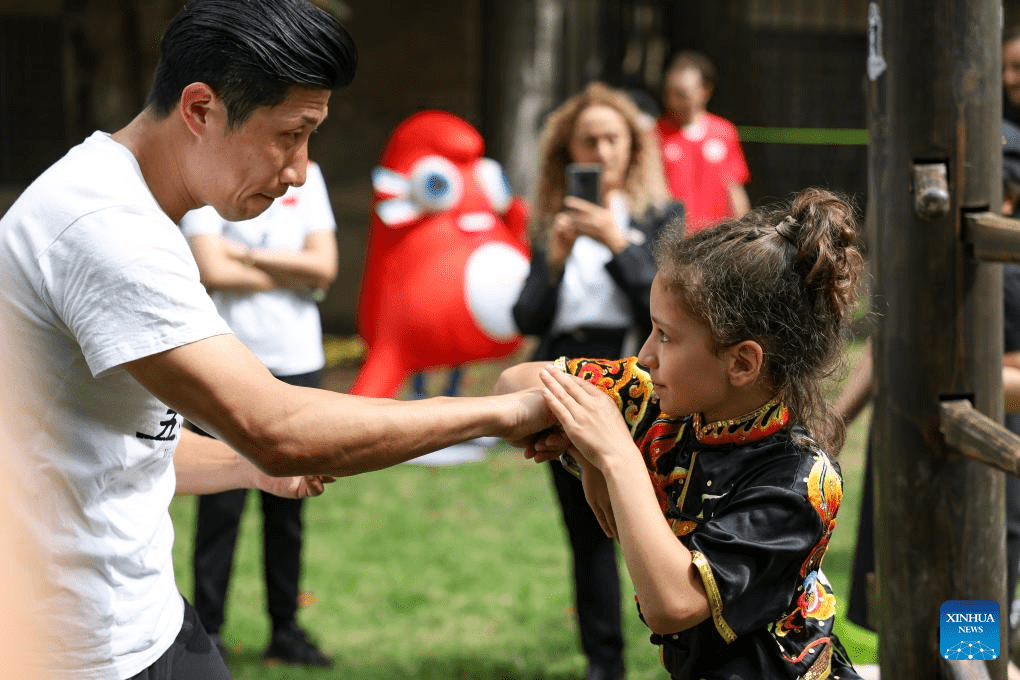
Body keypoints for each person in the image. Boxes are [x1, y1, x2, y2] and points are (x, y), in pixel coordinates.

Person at [0, 1, 552, 678]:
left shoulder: (121, 200)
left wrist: (241, 468)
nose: (297, 171)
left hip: (149, 622)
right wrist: (508, 412)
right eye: (290, 134)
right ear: (200, 110)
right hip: (80, 653)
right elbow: (275, 425)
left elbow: (110, 449)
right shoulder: (105, 232)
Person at [499, 187, 865, 679]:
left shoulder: (801, 481)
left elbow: (673, 601)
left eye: (666, 336)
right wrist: (589, 455)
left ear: (741, 362)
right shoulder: (663, 401)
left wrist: (615, 455)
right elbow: (516, 384)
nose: (646, 356)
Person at [512, 81, 683, 680]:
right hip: (568, 372)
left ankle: (682, 641)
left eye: (614, 138)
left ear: (633, 147)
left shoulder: (659, 216)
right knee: (586, 530)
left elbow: (666, 305)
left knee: (656, 519)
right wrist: (556, 258)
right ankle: (603, 662)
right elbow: (526, 318)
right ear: (569, 151)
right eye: (590, 140)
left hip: (642, 372)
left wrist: (617, 243)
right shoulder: (550, 218)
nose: (602, 151)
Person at [179, 159, 337, 667]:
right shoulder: (212, 170)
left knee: (290, 505)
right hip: (228, 363)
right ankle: (209, 630)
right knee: (220, 503)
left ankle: (286, 629)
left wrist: (244, 255)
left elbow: (325, 267)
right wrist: (293, 272)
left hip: (299, 362)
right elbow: (209, 267)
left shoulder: (309, 176)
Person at [656, 51, 751, 234]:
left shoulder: (724, 131)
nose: (673, 100)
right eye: (669, 92)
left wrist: (743, 230)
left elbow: (734, 187)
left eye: (682, 93)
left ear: (705, 90)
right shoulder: (656, 133)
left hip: (715, 238)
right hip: (672, 237)